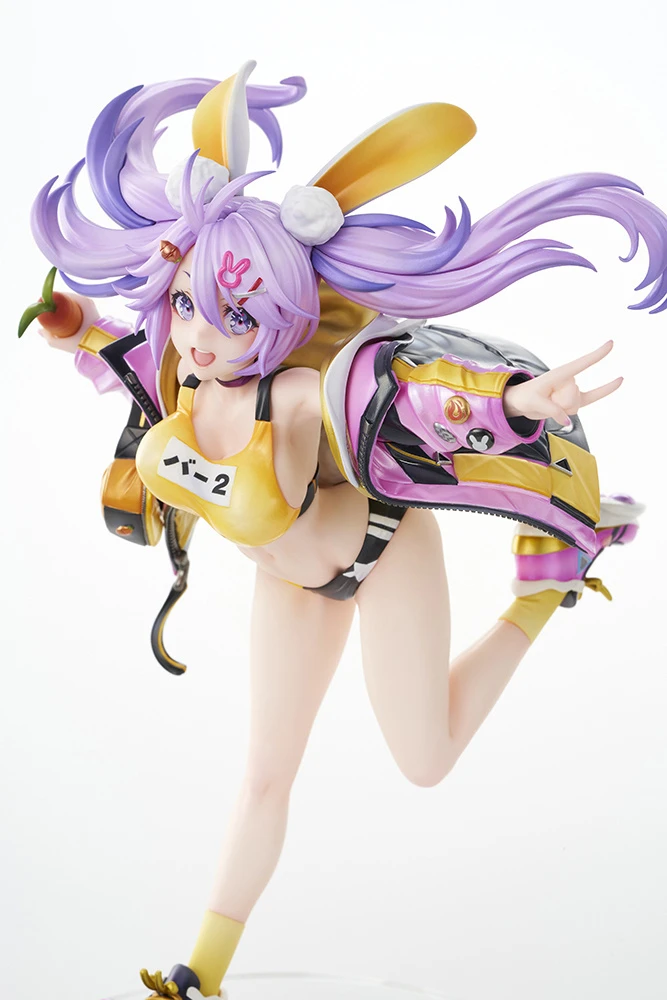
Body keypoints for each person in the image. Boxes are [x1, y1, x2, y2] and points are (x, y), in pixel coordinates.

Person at [25, 61, 666, 1000]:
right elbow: (120, 357)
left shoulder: (296, 391)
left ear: (277, 315)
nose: (202, 334)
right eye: (192, 303)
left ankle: (544, 586)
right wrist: (75, 324)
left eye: (236, 315)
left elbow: (422, 401)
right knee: (263, 776)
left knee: (424, 760)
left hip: (381, 552)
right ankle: (199, 972)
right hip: (289, 582)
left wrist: (517, 403)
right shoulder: (183, 376)